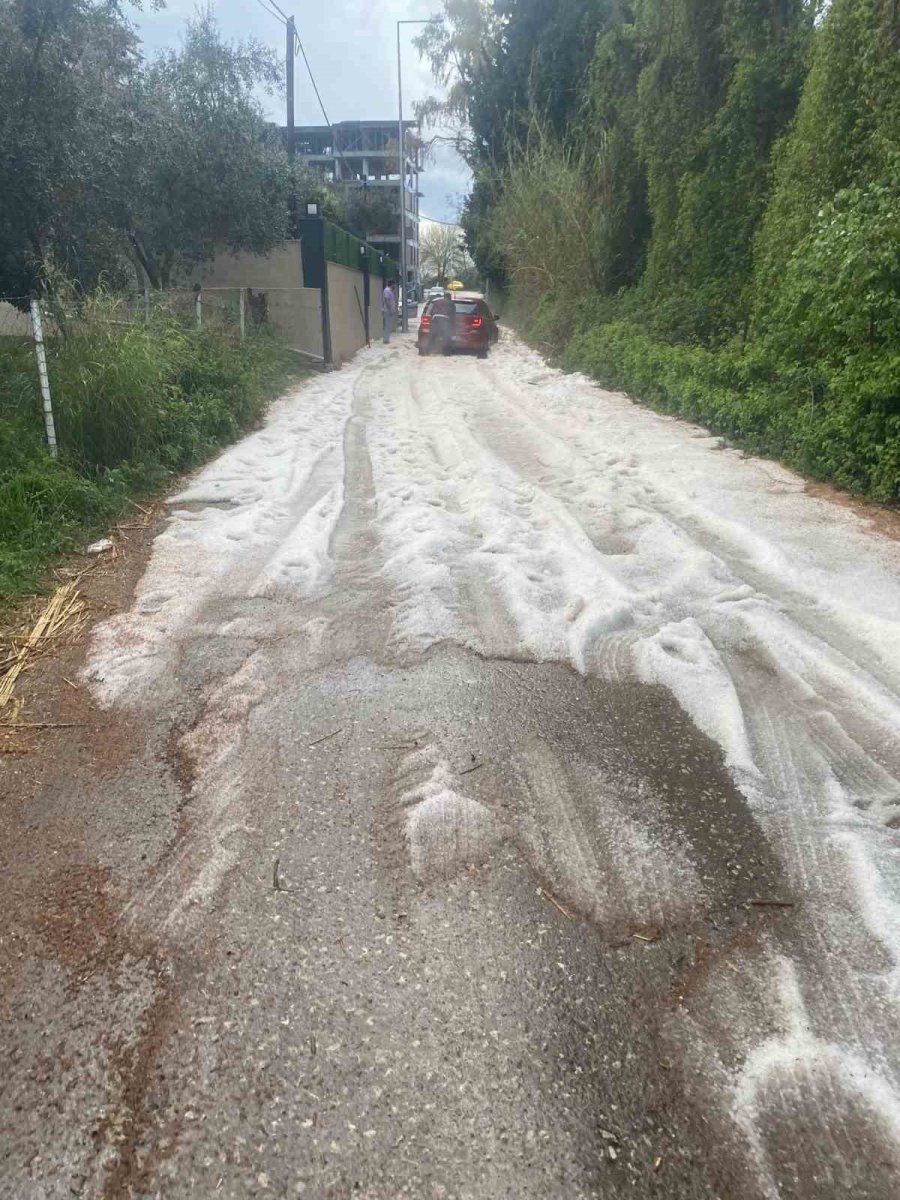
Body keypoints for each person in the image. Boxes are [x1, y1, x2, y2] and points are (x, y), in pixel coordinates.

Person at [429, 290, 455, 355]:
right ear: (450, 298)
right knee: (447, 337)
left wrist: (433, 318)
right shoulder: (451, 303)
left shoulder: (437, 301)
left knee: (432, 335)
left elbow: (430, 311)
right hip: (445, 319)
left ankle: (426, 351)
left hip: (435, 318)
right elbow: (453, 314)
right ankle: (446, 353)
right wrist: (452, 323)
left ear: (444, 297)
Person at [381, 278, 397, 344]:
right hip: (387, 310)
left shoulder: (390, 290)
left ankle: (386, 339)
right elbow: (387, 300)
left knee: (388, 325)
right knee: (387, 325)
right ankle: (386, 340)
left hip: (388, 310)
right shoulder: (387, 290)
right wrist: (390, 309)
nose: (395, 286)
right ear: (392, 284)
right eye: (394, 285)